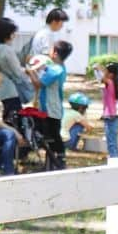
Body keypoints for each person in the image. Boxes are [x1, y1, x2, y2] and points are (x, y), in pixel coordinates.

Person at [0, 17, 36, 124]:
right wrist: (28, 72)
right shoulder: (7, 50)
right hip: (12, 90)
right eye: (14, 32)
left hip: (1, 89)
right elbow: (18, 72)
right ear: (8, 34)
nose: (15, 35)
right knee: (15, 120)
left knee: (8, 117)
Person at [37, 41, 72, 169]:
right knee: (49, 135)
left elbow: (39, 84)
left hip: (51, 108)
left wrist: (30, 72)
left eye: (51, 49)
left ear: (55, 53)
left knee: (53, 135)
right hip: (49, 107)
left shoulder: (56, 69)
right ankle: (53, 161)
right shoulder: (57, 67)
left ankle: (60, 159)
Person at [99, 62, 118, 158]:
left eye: (106, 72)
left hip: (110, 116)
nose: (105, 73)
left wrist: (99, 69)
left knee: (111, 141)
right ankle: (115, 157)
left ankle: (115, 158)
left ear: (111, 74)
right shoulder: (115, 84)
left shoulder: (111, 83)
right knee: (112, 140)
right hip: (111, 116)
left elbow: (101, 78)